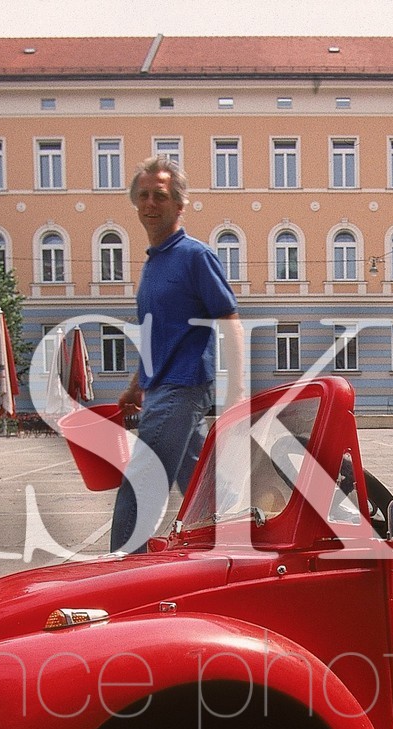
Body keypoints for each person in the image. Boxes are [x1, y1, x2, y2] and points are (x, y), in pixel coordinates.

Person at [110, 156, 245, 552]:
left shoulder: (194, 256)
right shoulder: (153, 264)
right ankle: (230, 547)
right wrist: (136, 385)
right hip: (159, 389)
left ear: (180, 204)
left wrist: (237, 392)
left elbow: (230, 321)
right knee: (203, 488)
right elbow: (156, 335)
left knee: (141, 484)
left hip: (182, 387)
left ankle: (122, 568)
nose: (150, 203)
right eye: (143, 196)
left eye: (161, 196)